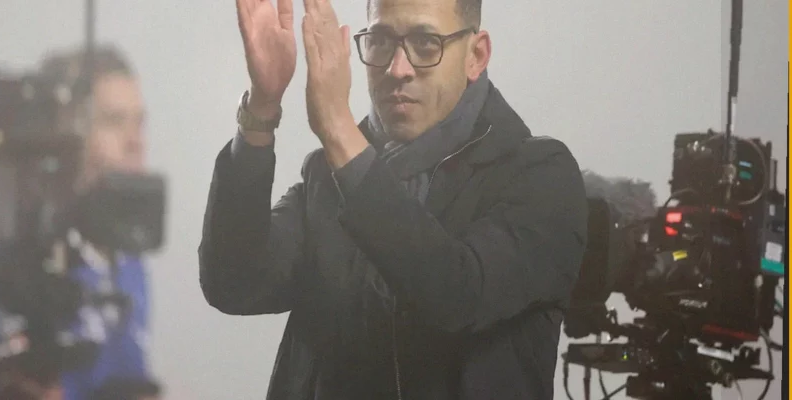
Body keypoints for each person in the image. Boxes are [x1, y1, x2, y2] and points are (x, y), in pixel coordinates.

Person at [199, 0, 588, 398]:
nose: (397, 69)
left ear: (476, 55)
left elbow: (456, 295)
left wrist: (339, 129)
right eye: (381, 41)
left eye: (426, 43)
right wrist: (263, 107)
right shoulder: (331, 173)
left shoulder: (540, 174)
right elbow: (234, 283)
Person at [0, 45, 156, 400]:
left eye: (139, 122)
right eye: (114, 121)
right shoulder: (21, 265)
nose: (135, 141)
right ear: (64, 133)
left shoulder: (126, 258)